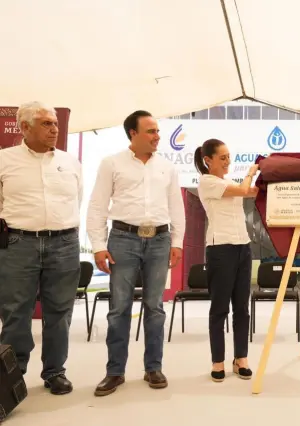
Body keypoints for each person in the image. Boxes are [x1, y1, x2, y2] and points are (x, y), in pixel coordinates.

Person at [87, 110, 186, 396]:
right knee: (119, 309)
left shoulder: (168, 167)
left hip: (159, 239)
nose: (157, 136)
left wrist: (177, 241)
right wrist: (98, 246)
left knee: (155, 307)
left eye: (157, 131)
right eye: (151, 131)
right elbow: (97, 205)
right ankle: (115, 372)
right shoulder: (111, 163)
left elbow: (175, 207)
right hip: (122, 239)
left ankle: (153, 367)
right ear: (133, 133)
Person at [0, 101, 82, 395]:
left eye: (56, 123)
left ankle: (55, 372)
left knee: (60, 312)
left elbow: (77, 201)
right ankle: (13, 374)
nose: (54, 129)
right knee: (15, 312)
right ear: (24, 127)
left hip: (64, 243)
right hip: (18, 244)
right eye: (46, 123)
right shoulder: (4, 160)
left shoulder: (70, 162)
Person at [194, 138, 258, 382]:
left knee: (241, 307)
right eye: (222, 158)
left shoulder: (229, 182)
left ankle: (240, 358)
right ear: (208, 160)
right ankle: (218, 361)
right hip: (220, 250)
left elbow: (250, 191)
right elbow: (244, 190)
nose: (227, 162)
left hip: (243, 247)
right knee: (219, 308)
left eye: (229, 157)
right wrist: (251, 172)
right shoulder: (207, 181)